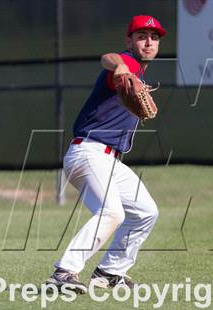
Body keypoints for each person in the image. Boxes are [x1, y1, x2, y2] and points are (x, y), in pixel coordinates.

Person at [46, 15, 166, 294]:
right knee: (112, 212)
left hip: (108, 159)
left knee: (146, 212)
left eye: (154, 37)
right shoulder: (128, 64)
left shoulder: (138, 73)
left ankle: (110, 272)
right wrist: (122, 66)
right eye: (141, 36)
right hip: (89, 152)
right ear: (129, 40)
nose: (148, 42)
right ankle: (64, 271)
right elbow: (107, 58)